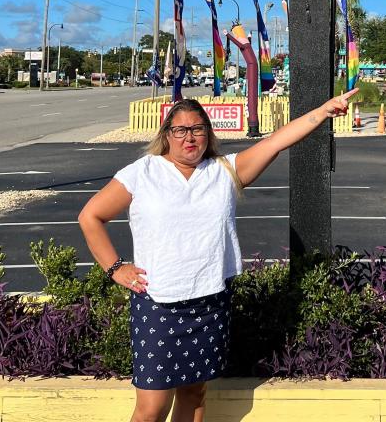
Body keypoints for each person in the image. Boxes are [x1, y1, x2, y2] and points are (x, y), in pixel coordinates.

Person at [78, 89, 358, 422]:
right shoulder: (143, 173)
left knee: (195, 395)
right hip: (157, 303)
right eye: (180, 130)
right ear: (166, 135)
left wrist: (323, 111)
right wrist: (116, 268)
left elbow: (276, 142)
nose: (189, 137)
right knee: (150, 410)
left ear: (208, 134)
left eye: (197, 129)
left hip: (209, 302)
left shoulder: (224, 171)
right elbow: (90, 216)